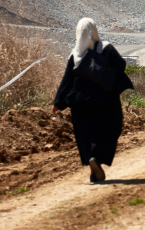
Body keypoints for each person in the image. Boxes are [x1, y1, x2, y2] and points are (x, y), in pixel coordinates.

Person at [52, 18, 133, 183]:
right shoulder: (106, 48)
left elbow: (67, 80)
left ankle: (93, 170)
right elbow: (121, 65)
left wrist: (58, 102)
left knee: (86, 135)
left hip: (79, 102)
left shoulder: (75, 54)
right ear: (94, 31)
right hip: (105, 99)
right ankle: (96, 157)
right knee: (111, 128)